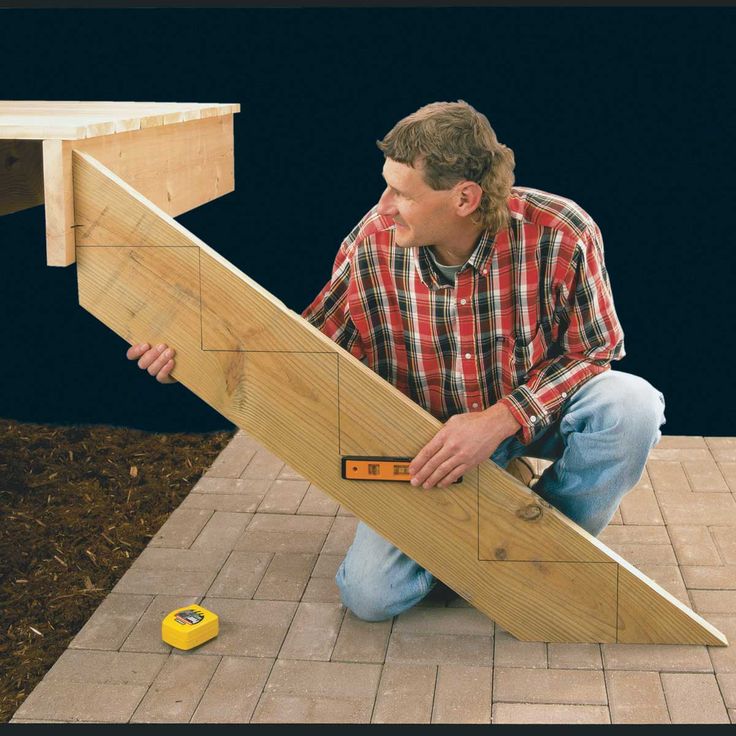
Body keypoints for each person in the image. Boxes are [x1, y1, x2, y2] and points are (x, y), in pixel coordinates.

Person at [127, 100, 666, 622]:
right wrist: (195, 355)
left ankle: (539, 547)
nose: (383, 205)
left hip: (528, 419)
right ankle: (489, 515)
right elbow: (306, 347)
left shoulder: (562, 231)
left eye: (400, 192)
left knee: (632, 405)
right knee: (371, 597)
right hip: (427, 447)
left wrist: (500, 420)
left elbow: (593, 352)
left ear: (463, 198)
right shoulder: (374, 240)